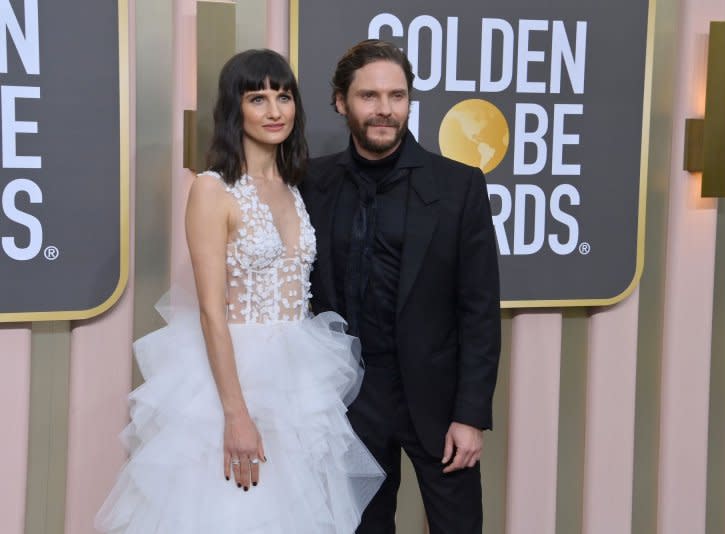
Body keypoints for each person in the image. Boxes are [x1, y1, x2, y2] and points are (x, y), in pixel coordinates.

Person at [95, 49, 383, 533]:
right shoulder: (212, 190)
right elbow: (211, 312)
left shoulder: (294, 185)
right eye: (258, 98)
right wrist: (236, 415)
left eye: (283, 96)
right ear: (235, 110)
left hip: (300, 374)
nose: (274, 111)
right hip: (235, 379)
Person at [300, 39, 501, 534]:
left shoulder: (459, 186)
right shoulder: (310, 183)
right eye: (369, 96)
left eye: (397, 95)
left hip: (438, 403)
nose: (385, 110)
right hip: (349, 401)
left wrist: (471, 416)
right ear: (341, 102)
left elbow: (479, 310)